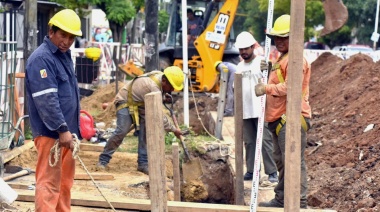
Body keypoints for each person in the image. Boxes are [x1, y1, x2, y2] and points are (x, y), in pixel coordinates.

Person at [25, 9, 83, 211]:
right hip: (52, 134)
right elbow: (46, 99)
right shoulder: (41, 59)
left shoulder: (63, 56)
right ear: (51, 32)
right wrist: (61, 129)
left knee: (65, 185)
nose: (67, 41)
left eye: (71, 37)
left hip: (67, 134)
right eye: (63, 35)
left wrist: (69, 130)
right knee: (49, 184)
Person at [255, 14, 311, 208]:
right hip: (279, 118)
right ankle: (282, 199)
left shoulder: (296, 60)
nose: (278, 41)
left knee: (293, 162)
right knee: (282, 162)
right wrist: (270, 68)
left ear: (294, 38)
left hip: (291, 118)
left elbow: (291, 87)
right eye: (276, 38)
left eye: (283, 37)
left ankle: (299, 201)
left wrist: (266, 88)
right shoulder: (283, 59)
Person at [97, 66, 184, 175]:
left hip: (141, 103)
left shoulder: (159, 76)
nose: (172, 90)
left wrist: (162, 97)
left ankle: (142, 164)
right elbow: (159, 116)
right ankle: (103, 160)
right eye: (171, 87)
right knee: (121, 131)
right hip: (125, 101)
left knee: (147, 130)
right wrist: (174, 129)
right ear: (164, 80)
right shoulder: (152, 87)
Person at [235, 31, 278, 182]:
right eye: (241, 49)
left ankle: (272, 171)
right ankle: (252, 170)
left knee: (266, 141)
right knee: (250, 142)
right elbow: (236, 89)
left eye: (246, 48)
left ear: (253, 47)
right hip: (246, 110)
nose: (243, 52)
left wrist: (269, 68)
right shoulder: (239, 67)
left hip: (261, 108)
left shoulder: (261, 62)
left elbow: (272, 78)